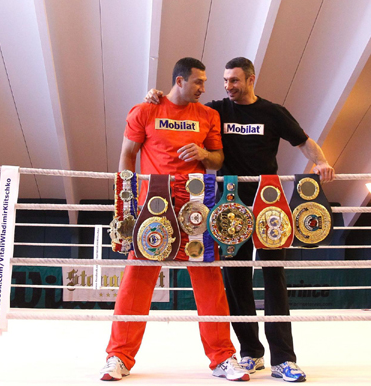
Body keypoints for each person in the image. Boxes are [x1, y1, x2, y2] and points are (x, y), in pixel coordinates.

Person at [145, 56, 335, 383]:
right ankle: (251, 352)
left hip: (267, 206)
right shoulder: (217, 109)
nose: (227, 86)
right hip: (228, 208)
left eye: (234, 80)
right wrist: (157, 97)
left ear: (251, 80)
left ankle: (284, 360)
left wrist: (322, 162)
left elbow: (304, 141)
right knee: (236, 282)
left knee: (275, 279)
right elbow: (183, 104)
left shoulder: (273, 112)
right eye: (225, 81)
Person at [101, 57, 250, 382]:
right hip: (153, 208)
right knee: (135, 283)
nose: (204, 88)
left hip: (197, 206)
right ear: (180, 81)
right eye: (198, 82)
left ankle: (223, 358)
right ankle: (118, 357)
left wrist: (203, 155)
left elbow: (217, 158)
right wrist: (129, 200)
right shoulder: (145, 110)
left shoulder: (209, 115)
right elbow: (128, 152)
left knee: (210, 284)